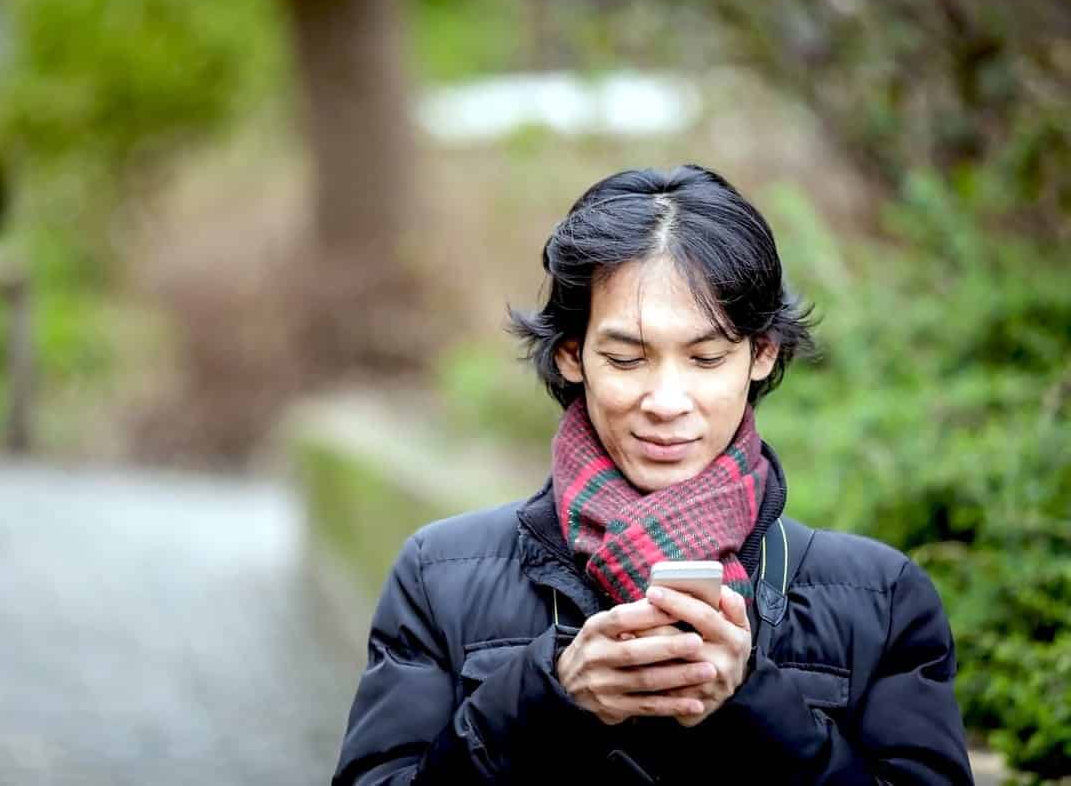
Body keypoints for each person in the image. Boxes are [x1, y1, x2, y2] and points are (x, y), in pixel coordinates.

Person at [332, 165, 973, 784]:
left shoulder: (882, 600)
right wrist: (549, 697)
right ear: (571, 355)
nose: (667, 402)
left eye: (705, 357)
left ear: (762, 354)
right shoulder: (439, 576)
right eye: (627, 357)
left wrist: (754, 703)